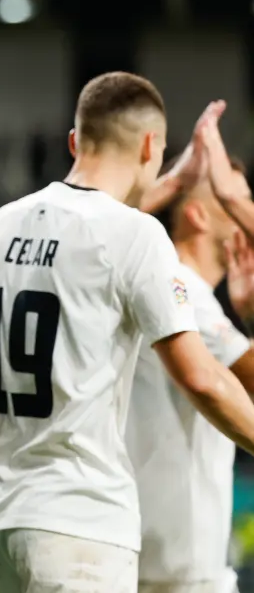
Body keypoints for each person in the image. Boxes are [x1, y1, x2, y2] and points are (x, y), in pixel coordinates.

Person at [0, 71, 254, 593]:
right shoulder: (136, 234)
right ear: (152, 145)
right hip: (78, 525)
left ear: (72, 141)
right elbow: (202, 379)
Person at [128, 151, 254, 593]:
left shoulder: (172, 287)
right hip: (177, 572)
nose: (245, 211)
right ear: (198, 215)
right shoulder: (181, 288)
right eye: (232, 199)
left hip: (162, 563)